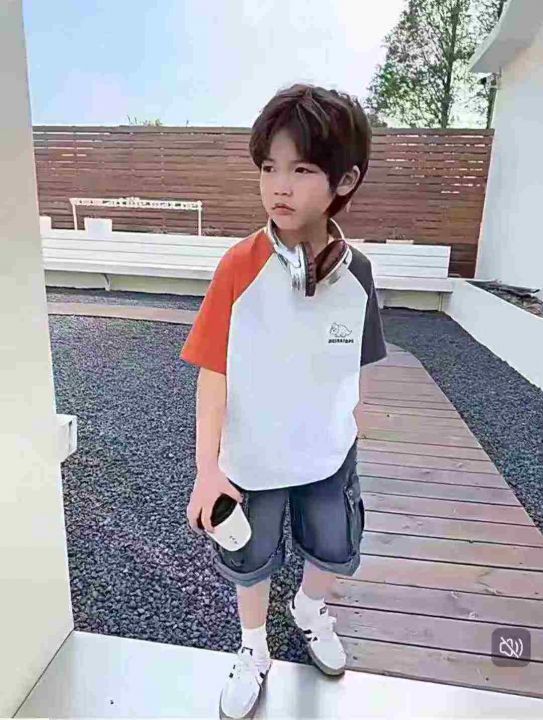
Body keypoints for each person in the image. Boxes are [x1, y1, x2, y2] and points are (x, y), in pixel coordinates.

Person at [180, 83, 387, 719]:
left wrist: (351, 428)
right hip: (253, 458)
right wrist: (208, 469)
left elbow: (356, 365)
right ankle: (254, 648)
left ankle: (309, 610)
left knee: (333, 547)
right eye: (269, 168)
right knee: (250, 559)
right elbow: (213, 372)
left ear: (344, 180)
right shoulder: (238, 267)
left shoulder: (358, 275)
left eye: (300, 170)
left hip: (328, 454)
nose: (279, 186)